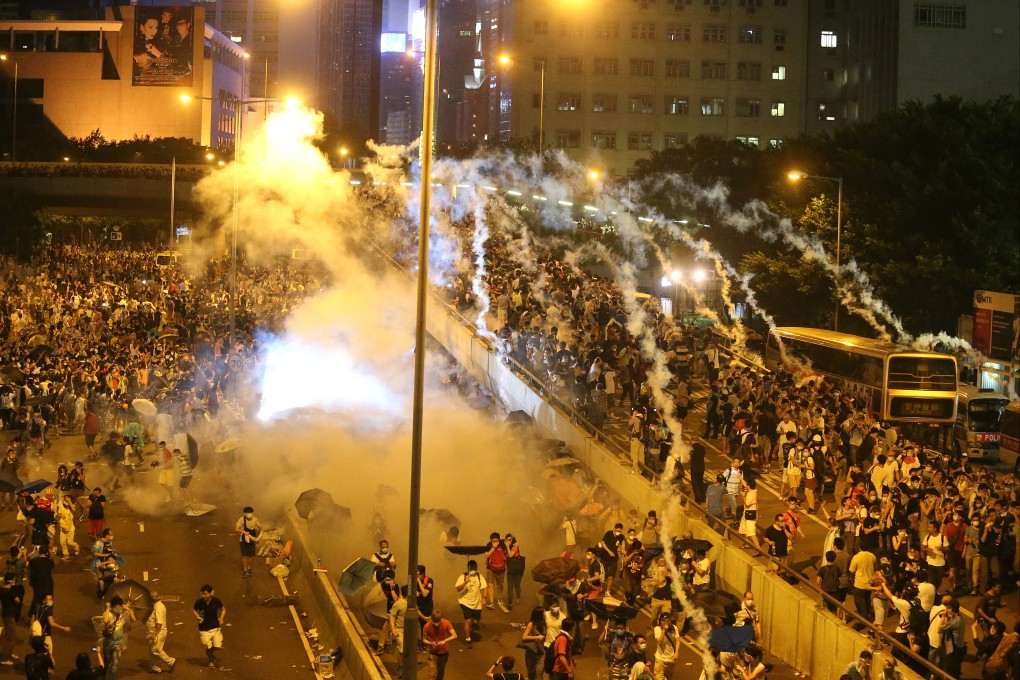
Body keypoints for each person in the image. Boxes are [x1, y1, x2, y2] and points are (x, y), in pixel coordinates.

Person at [100, 595, 135, 679]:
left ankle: (112, 677)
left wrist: (128, 609)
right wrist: (107, 608)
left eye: (120, 606)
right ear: (113, 606)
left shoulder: (124, 613)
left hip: (118, 643)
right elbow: (105, 620)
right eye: (117, 606)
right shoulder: (108, 613)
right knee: (107, 660)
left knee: (115, 662)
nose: (119, 608)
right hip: (108, 642)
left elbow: (134, 619)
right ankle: (105, 675)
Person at [454, 559, 487, 648]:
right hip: (465, 602)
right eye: (471, 567)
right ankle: (468, 639)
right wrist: (465, 582)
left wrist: (484, 598)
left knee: (475, 621)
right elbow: (458, 589)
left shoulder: (479, 576)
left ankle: (471, 628)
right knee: (468, 620)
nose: (473, 569)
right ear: (468, 568)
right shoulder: (463, 576)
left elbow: (484, 587)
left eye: (474, 567)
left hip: (477, 603)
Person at [193, 584, 226, 669]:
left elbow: (223, 609)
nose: (203, 596)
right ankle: (210, 660)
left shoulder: (216, 601)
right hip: (203, 629)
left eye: (205, 594)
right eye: (202, 594)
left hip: (215, 627)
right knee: (208, 647)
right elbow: (194, 610)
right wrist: (197, 616)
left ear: (211, 593)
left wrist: (221, 618)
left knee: (217, 646)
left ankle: (211, 653)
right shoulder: (199, 602)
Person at [422, 610, 457, 680]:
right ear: (431, 619)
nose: (436, 624)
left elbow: (454, 635)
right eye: (435, 622)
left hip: (444, 652)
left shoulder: (446, 623)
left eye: (438, 622)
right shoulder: (427, 626)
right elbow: (424, 639)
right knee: (432, 673)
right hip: (433, 653)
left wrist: (444, 641)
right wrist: (431, 643)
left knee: (441, 672)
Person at [146, 590, 175, 673]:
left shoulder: (158, 607)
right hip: (152, 632)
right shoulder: (155, 606)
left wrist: (154, 634)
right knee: (151, 650)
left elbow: (159, 623)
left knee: (155, 650)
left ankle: (171, 661)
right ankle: (155, 668)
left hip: (158, 632)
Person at [936, 599, 964, 677]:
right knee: (956, 669)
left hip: (953, 651)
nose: (947, 610)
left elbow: (939, 630)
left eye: (948, 608)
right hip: (960, 648)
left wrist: (943, 617)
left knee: (949, 671)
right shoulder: (960, 617)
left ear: (952, 609)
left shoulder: (954, 622)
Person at [520, 606, 546, 680]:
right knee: (531, 672)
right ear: (539, 615)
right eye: (543, 613)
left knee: (539, 672)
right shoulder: (532, 624)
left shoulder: (544, 623)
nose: (545, 614)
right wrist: (537, 637)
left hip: (541, 651)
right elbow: (524, 637)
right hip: (531, 651)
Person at [235, 505, 261, 577]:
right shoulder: (241, 519)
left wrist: (262, 532)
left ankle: (249, 568)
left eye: (250, 512)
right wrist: (243, 531)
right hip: (243, 539)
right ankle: (245, 569)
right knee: (244, 555)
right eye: (247, 512)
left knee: (250, 555)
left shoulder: (255, 519)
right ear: (245, 513)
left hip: (251, 539)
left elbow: (260, 527)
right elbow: (236, 529)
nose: (249, 514)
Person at [652, 612, 679, 680]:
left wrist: (676, 653)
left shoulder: (674, 628)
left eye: (667, 620)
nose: (665, 622)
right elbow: (659, 642)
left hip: (671, 659)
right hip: (660, 660)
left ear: (670, 621)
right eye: (663, 620)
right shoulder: (657, 629)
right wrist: (664, 630)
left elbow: (678, 641)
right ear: (660, 621)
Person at [484, 532, 508, 609]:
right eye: (493, 541)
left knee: (500, 584)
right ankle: (491, 603)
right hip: (490, 568)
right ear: (491, 540)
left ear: (499, 539)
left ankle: (499, 598)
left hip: (501, 568)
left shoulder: (503, 544)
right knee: (490, 585)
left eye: (497, 540)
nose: (495, 542)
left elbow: (511, 543)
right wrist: (493, 548)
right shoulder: (489, 545)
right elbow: (486, 555)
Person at [55, 494, 80, 561]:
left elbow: (74, 509)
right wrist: (60, 515)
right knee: (62, 542)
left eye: (68, 497)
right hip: (63, 526)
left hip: (71, 527)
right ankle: (66, 555)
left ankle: (76, 548)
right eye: (66, 497)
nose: (67, 498)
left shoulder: (72, 505)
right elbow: (58, 513)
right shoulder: (61, 505)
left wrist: (70, 502)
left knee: (70, 542)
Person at [0, 577, 18, 665]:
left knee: (11, 635)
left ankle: (9, 653)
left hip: (5, 614)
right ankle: (4, 658)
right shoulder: (10, 592)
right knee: (10, 637)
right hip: (9, 616)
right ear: (11, 581)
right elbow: (17, 600)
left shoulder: (1, 590)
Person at [505, 534, 525, 610]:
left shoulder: (515, 546)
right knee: (510, 586)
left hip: (517, 570)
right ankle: (510, 603)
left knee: (517, 584)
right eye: (507, 540)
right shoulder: (506, 547)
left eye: (510, 540)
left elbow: (510, 555)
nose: (509, 541)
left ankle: (518, 597)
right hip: (510, 570)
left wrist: (507, 546)